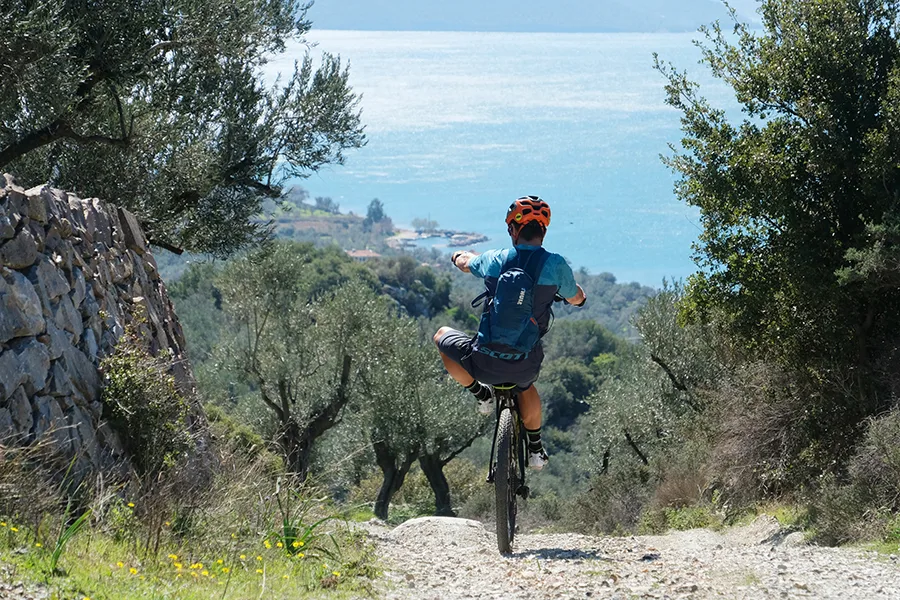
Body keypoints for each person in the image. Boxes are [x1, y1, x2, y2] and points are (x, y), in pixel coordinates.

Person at [433, 196, 586, 470]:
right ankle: (536, 450)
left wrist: (457, 256)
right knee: (526, 387)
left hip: (483, 362)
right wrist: (578, 297)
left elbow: (467, 262)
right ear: (544, 231)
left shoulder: (497, 258)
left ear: (513, 230)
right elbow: (576, 298)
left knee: (441, 336)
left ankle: (481, 395)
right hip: (525, 363)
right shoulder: (555, 265)